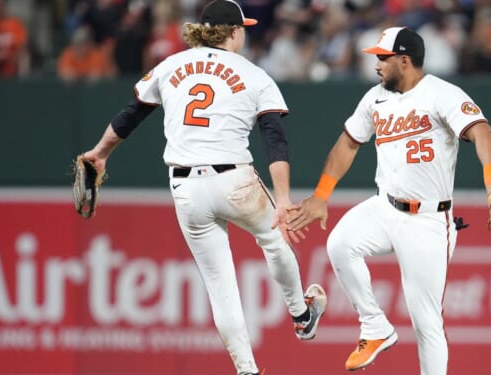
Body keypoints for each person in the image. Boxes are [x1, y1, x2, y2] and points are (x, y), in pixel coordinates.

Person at [80, 1, 326, 374]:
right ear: (231, 31)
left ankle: (246, 369)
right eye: (242, 28)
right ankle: (301, 314)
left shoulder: (171, 65)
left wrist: (100, 153)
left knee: (218, 283)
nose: (244, 33)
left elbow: (131, 114)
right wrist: (284, 199)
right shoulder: (254, 73)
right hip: (234, 179)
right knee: (274, 241)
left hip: (185, 189)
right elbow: (275, 138)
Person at [286, 26, 491, 375]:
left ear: (404, 61)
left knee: (426, 323)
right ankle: (374, 327)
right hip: (385, 206)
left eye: (382, 58)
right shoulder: (375, 98)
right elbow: (349, 142)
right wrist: (321, 195)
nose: (376, 64)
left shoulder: (442, 94)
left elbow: (484, 133)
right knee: (340, 244)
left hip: (428, 221)